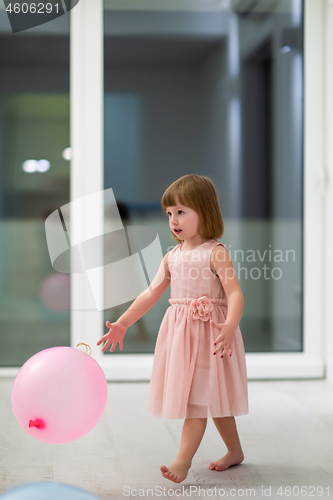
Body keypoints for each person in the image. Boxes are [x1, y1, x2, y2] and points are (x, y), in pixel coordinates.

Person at [97, 174, 249, 484]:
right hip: (182, 336)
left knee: (200, 400)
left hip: (212, 334)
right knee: (210, 396)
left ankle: (182, 461)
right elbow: (151, 293)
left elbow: (234, 293)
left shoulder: (215, 252)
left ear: (204, 211)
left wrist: (230, 325)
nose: (173, 220)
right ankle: (235, 451)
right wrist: (123, 323)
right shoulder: (172, 257)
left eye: (181, 212)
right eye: (169, 213)